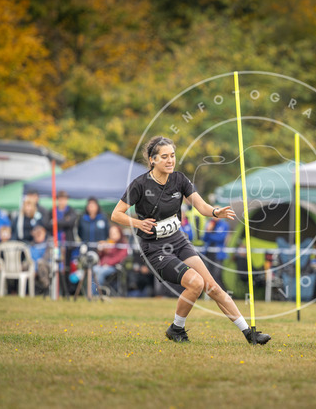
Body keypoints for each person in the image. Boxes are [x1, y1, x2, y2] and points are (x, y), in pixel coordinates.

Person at [111, 136, 270, 345]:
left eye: (172, 155)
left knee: (212, 286)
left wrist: (215, 212)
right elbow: (116, 214)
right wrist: (138, 223)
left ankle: (249, 333)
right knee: (195, 283)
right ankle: (177, 328)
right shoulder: (140, 185)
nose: (170, 160)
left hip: (178, 241)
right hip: (155, 249)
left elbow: (202, 207)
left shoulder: (179, 180)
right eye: (164, 157)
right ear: (152, 160)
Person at [47, 190, 78, 270]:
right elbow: (47, 224)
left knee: (67, 266)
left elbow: (70, 223)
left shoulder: (71, 211)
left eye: (64, 199)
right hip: (55, 243)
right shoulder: (52, 211)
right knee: (55, 264)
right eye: (60, 199)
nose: (62, 202)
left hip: (67, 244)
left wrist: (55, 222)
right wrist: (64, 221)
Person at [92, 225, 128, 291]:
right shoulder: (108, 243)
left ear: (120, 233)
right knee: (92, 269)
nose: (112, 235)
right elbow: (101, 257)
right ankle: (91, 292)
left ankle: (98, 293)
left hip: (114, 267)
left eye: (114, 233)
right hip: (102, 266)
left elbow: (120, 258)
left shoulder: (123, 244)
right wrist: (101, 250)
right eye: (111, 233)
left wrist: (108, 263)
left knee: (99, 272)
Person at [202, 214, 230, 288]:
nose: (214, 217)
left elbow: (220, 238)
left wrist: (209, 233)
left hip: (218, 255)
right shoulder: (209, 223)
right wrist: (207, 231)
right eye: (213, 215)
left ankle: (222, 292)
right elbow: (204, 239)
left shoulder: (224, 225)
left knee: (217, 275)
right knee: (209, 275)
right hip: (208, 253)